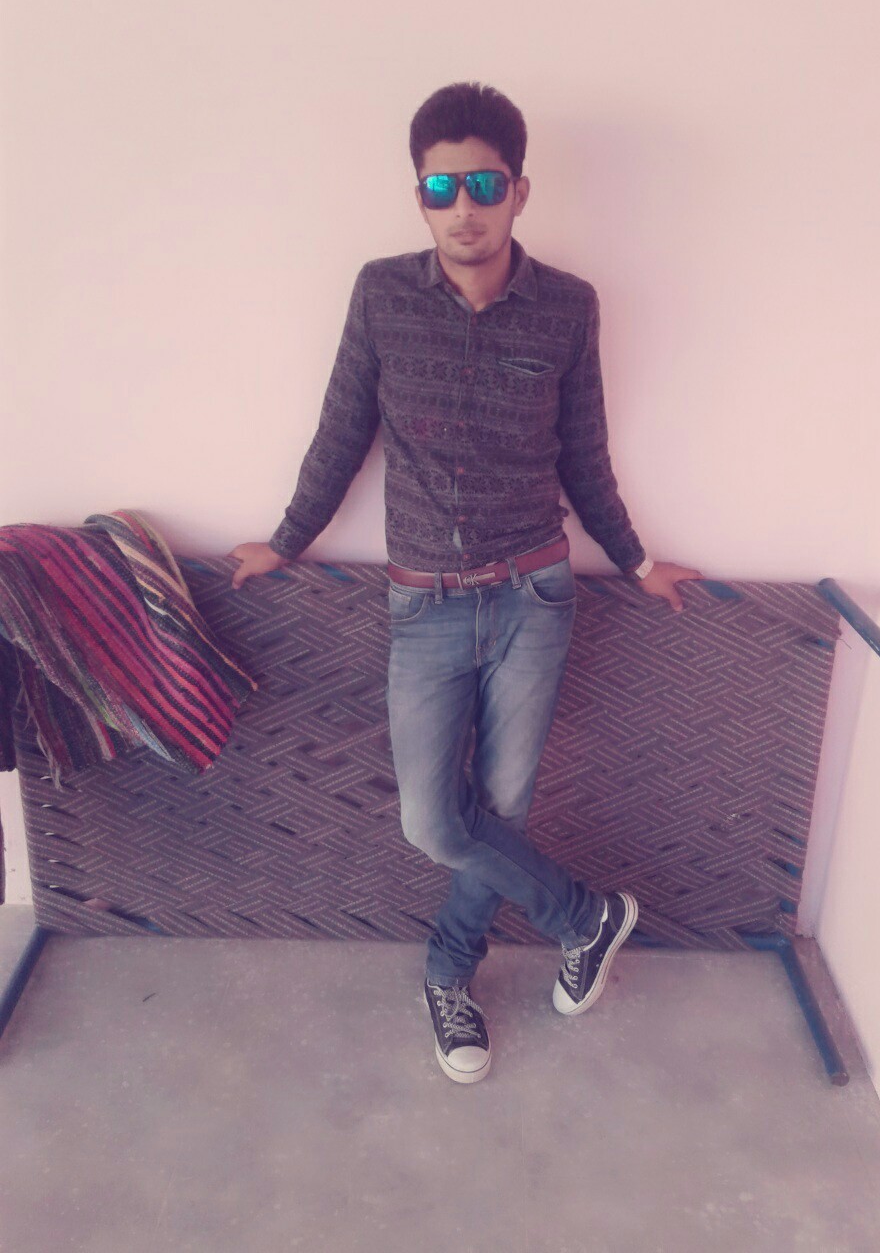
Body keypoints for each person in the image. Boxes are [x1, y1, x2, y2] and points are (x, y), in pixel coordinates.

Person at [229, 81, 703, 1085]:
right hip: (425, 606)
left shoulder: (569, 306)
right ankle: (588, 918)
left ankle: (449, 974)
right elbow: (342, 430)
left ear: (519, 191)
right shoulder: (381, 294)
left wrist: (636, 559)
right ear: (420, 197)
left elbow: (584, 456)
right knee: (434, 822)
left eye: (483, 184)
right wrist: (287, 539)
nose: (463, 208)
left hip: (535, 596)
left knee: (503, 808)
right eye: (440, 187)